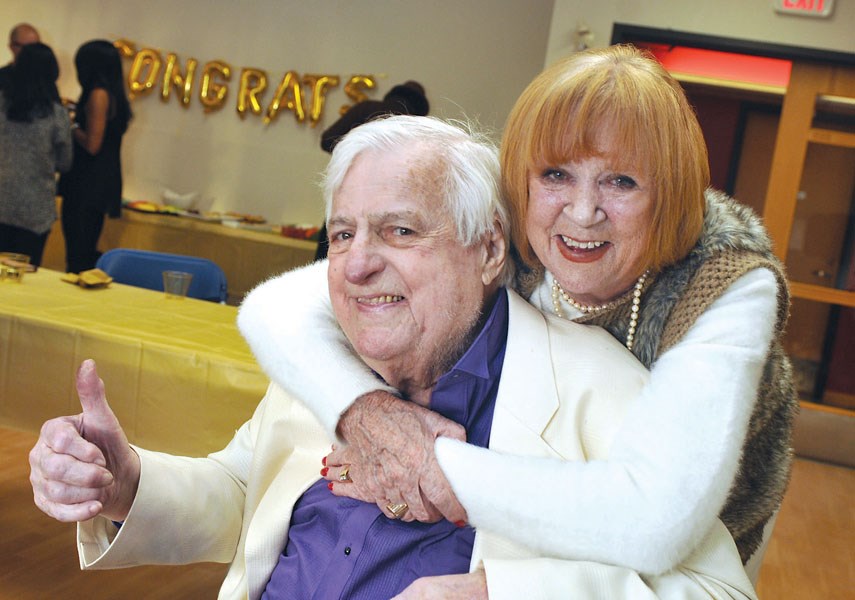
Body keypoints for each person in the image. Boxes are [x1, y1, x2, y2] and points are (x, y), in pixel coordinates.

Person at [29, 116, 755, 599]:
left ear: (489, 248)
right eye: (342, 235)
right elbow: (242, 492)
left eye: (399, 231)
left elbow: (722, 591)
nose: (354, 266)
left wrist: (497, 593)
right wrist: (128, 485)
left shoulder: (603, 392)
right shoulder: (326, 367)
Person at [238, 44, 798, 586]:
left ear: (670, 193)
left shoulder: (728, 285)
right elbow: (276, 305)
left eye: (621, 181)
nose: (581, 212)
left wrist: (429, 469)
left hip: (701, 532)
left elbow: (659, 522)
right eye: (555, 174)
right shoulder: (519, 235)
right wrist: (368, 413)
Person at [314, 79, 429, 260]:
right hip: (392, 196)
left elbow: (327, 139)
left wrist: (351, 156)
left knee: (339, 237)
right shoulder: (415, 127)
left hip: (351, 189)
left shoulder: (365, 108)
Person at [58, 40, 132, 274]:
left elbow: (92, 144)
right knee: (83, 251)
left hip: (86, 184)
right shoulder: (112, 92)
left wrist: (69, 124)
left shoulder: (98, 93)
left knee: (79, 256)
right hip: (98, 183)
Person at [0, 42, 71, 265]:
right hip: (35, 209)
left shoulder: (2, 104)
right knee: (25, 279)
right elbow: (65, 162)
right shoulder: (57, 115)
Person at [0, 23, 40, 90]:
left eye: (35, 46)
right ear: (12, 46)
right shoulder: (2, 77)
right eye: (26, 47)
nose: (31, 51)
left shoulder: (44, 78)